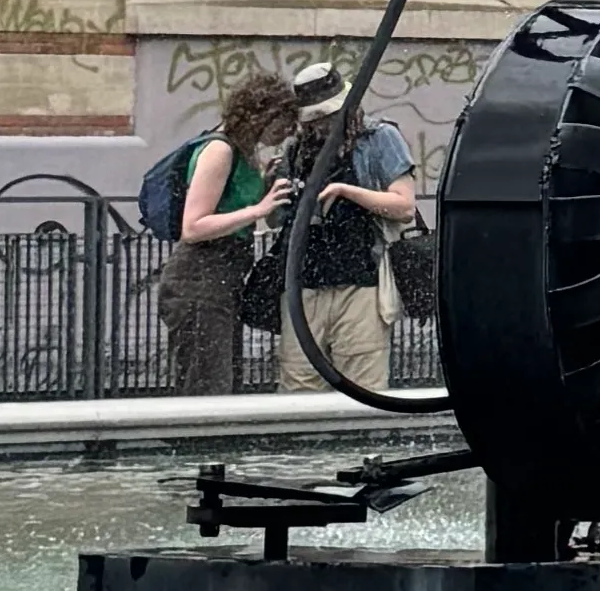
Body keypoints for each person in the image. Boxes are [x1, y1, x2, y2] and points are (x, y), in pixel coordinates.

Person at [273, 61, 422, 393]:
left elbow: (404, 207)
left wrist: (346, 192)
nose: (323, 125)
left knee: (362, 384)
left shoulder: (378, 138)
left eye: (329, 116)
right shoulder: (296, 149)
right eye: (316, 119)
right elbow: (278, 219)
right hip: (304, 283)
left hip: (361, 282)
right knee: (299, 383)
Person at [163, 71, 300, 393]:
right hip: (200, 277)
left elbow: (231, 202)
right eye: (282, 123)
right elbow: (193, 226)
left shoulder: (244, 151)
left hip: (225, 277)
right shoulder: (219, 150)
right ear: (261, 115)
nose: (286, 132)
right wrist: (259, 209)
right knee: (207, 383)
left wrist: (264, 184)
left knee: (224, 380)